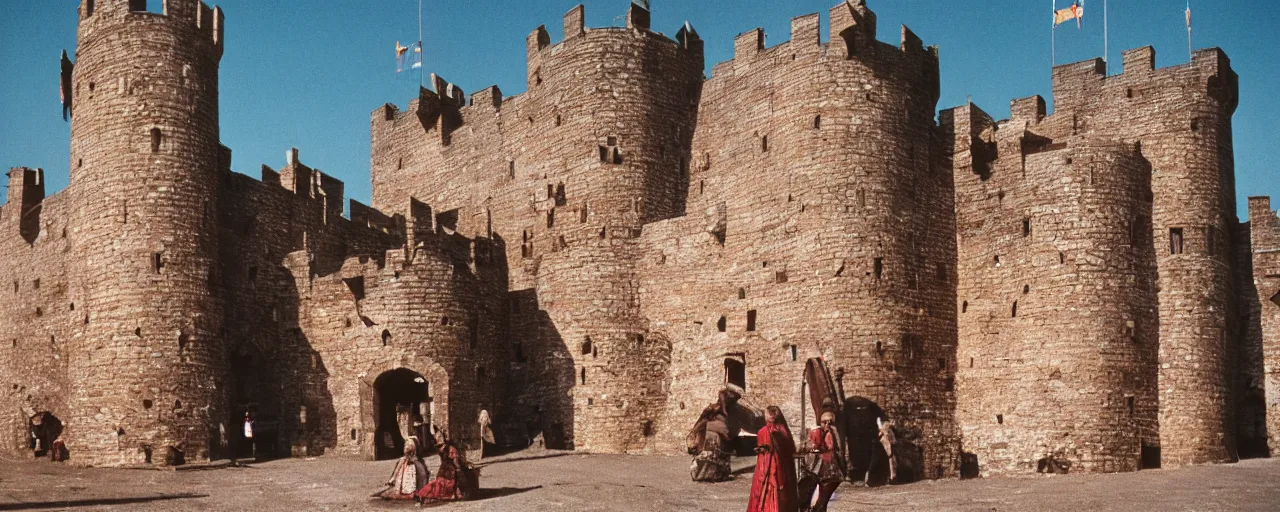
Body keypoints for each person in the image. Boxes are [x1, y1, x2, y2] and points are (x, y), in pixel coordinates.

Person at [747, 406, 797, 512]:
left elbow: (764, 450)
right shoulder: (784, 431)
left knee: (765, 489)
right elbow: (790, 450)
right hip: (782, 467)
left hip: (767, 465)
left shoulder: (763, 431)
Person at [799, 411, 846, 512]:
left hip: (831, 473)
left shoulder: (833, 433)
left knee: (821, 502)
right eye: (824, 422)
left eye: (830, 422)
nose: (827, 424)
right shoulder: (818, 433)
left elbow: (833, 448)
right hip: (818, 472)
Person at [415, 435, 480, 504]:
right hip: (447, 478)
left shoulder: (457, 459)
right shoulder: (445, 461)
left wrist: (459, 466)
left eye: (456, 453)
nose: (455, 455)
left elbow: (462, 472)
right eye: (451, 453)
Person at [689, 402, 732, 482]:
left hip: (705, 447)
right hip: (711, 447)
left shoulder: (703, 422)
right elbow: (726, 434)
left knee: (705, 461)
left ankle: (700, 475)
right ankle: (712, 476)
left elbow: (694, 431)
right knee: (711, 461)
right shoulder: (717, 424)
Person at [374, 436, 422, 501]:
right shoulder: (402, 460)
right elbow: (397, 470)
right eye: (406, 445)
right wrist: (393, 478)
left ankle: (410, 491)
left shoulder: (416, 461)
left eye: (409, 445)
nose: (407, 447)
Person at [867, 418, 896, 485]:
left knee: (888, 458)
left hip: (884, 441)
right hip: (878, 441)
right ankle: (871, 480)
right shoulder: (877, 419)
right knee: (876, 459)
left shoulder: (884, 421)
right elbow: (880, 429)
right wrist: (885, 432)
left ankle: (889, 478)